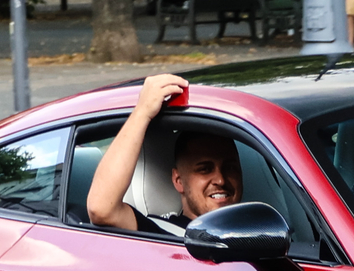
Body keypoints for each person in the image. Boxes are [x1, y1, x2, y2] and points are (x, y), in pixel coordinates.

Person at [81, 74, 247, 234]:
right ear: (178, 180)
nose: (220, 179)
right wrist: (142, 112)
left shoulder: (263, 228)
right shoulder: (162, 233)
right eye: (204, 169)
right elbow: (101, 209)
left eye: (230, 167)